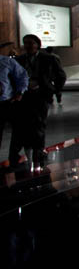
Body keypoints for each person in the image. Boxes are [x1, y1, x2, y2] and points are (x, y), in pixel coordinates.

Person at [8, 34, 66, 170]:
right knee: (21, 124)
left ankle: (38, 151)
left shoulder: (49, 58)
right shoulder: (18, 60)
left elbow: (61, 75)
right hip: (23, 98)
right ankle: (19, 153)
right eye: (25, 43)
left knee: (39, 124)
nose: (27, 46)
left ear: (37, 44)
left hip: (40, 96)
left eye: (30, 43)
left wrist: (53, 90)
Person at [0, 41, 28, 171]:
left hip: (7, 102)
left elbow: (22, 75)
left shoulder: (6, 62)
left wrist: (20, 92)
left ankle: (14, 155)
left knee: (20, 128)